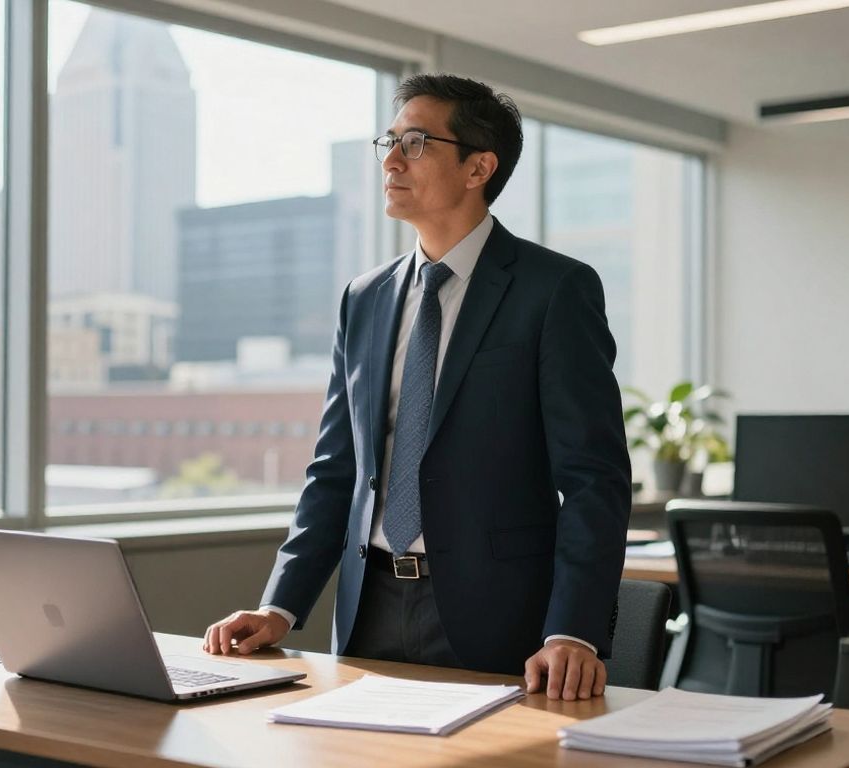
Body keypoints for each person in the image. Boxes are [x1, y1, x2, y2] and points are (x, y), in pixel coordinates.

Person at [202, 73, 631, 701]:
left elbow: (594, 477)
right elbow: (335, 469)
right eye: (390, 143)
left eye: (418, 143)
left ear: (478, 166)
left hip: (500, 615)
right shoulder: (364, 297)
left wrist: (573, 631)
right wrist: (280, 609)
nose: (392, 161)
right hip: (367, 605)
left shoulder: (554, 289)